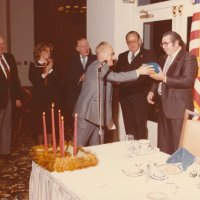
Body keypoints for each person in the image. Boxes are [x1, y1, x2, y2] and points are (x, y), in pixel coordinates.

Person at [74, 41, 154, 147]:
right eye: (112, 54)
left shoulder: (101, 67)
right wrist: (138, 72)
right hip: (87, 114)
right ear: (104, 55)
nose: (114, 57)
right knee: (77, 147)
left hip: (96, 114)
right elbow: (116, 77)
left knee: (97, 148)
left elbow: (117, 80)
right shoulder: (98, 66)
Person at [147, 31, 198, 154]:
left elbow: (187, 81)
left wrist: (164, 78)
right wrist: (152, 91)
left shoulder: (188, 58)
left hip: (178, 110)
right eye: (162, 44)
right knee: (164, 146)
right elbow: (157, 76)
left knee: (178, 147)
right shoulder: (163, 58)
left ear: (176, 43)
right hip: (163, 107)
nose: (163, 46)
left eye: (166, 43)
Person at [115, 31, 157, 140]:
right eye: (129, 42)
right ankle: (131, 150)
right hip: (125, 98)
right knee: (128, 127)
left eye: (134, 41)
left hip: (140, 98)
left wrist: (152, 91)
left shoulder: (148, 54)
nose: (132, 44)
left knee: (140, 127)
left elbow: (155, 76)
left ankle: (141, 151)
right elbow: (117, 76)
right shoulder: (122, 56)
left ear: (140, 41)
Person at [61, 37, 96, 131]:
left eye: (87, 45)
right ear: (77, 49)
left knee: (90, 126)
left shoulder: (95, 59)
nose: (86, 48)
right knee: (77, 126)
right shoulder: (70, 60)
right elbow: (66, 78)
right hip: (75, 98)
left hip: (91, 98)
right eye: (83, 46)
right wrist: (79, 78)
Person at [29, 42, 59, 144]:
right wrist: (45, 72)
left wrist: (51, 69)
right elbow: (34, 80)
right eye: (46, 51)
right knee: (40, 125)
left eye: (50, 51)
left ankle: (51, 146)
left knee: (51, 124)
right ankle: (41, 148)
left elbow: (57, 81)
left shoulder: (52, 64)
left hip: (51, 99)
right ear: (40, 52)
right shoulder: (33, 65)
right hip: (39, 100)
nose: (49, 53)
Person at [0, 35, 22, 160]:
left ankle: (5, 151)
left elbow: (15, 79)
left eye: (3, 44)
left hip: (10, 95)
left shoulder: (9, 57)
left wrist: (17, 97)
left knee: (7, 124)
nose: (1, 47)